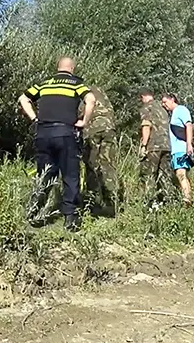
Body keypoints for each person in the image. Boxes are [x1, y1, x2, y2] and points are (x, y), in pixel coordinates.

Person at [18, 57, 95, 232]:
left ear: (57, 68)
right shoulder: (76, 84)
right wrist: (84, 122)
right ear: (72, 69)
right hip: (65, 133)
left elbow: (23, 98)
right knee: (70, 175)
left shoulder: (45, 84)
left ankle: (34, 213)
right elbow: (91, 100)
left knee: (45, 174)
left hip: (43, 133)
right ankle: (70, 218)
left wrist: (35, 118)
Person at [80, 85, 122, 216]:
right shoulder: (101, 93)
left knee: (92, 165)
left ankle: (93, 203)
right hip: (109, 129)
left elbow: (81, 114)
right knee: (108, 166)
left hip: (93, 130)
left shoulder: (82, 93)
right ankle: (112, 203)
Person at [138, 87, 172, 206]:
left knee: (149, 174)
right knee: (165, 175)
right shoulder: (163, 107)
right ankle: (168, 202)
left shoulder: (146, 108)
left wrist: (143, 145)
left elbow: (146, 126)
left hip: (153, 146)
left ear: (142, 97)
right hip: (167, 145)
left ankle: (149, 203)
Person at [161, 93, 194, 207]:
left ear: (172, 99)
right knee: (177, 176)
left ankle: (187, 200)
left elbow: (189, 125)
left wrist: (189, 144)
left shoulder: (181, 110)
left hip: (181, 149)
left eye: (165, 102)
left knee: (181, 174)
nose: (164, 105)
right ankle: (182, 198)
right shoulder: (174, 114)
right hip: (174, 151)